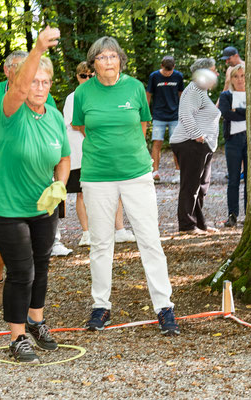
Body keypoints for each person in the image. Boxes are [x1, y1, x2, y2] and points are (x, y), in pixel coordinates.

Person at [72, 36, 179, 335]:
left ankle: (164, 307)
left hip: (136, 173)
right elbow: (81, 127)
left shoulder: (134, 88)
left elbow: (142, 125)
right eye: (102, 57)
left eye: (113, 56)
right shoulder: (83, 93)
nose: (108, 61)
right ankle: (101, 306)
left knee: (150, 240)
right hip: (97, 176)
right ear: (93, 63)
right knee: (101, 243)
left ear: (121, 60)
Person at [0, 27, 70, 363]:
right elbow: (19, 86)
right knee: (22, 271)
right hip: (6, 207)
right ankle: (17, 337)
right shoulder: (11, 111)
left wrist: (59, 185)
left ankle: (36, 322)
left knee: (42, 265)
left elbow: (63, 157)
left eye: (44, 82)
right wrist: (37, 48)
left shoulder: (54, 117)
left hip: (42, 206)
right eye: (33, 81)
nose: (38, 87)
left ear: (50, 87)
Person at [0, 50, 59, 308]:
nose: (26, 74)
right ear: (7, 70)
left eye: (29, 69)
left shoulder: (44, 96)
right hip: (1, 179)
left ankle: (23, 286)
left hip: (37, 182)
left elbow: (52, 132)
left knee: (35, 240)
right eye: (19, 69)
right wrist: (8, 139)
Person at [63, 62, 136, 246]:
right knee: (81, 192)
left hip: (104, 151)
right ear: (78, 77)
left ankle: (119, 229)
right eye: (83, 76)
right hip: (81, 151)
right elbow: (74, 123)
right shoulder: (73, 98)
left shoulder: (103, 95)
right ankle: (87, 233)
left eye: (90, 75)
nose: (87, 79)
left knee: (114, 188)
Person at [170, 58, 221, 234]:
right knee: (191, 185)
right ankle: (186, 225)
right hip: (189, 143)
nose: (217, 74)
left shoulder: (202, 91)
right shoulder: (194, 90)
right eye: (214, 70)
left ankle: (199, 223)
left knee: (201, 186)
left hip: (202, 145)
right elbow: (185, 114)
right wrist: (197, 136)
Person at [146, 56, 185, 184]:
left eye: (170, 71)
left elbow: (182, 95)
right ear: (161, 66)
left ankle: (178, 172)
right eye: (166, 70)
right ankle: (155, 172)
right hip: (159, 115)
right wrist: (146, 115)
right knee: (157, 143)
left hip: (174, 115)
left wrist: (184, 113)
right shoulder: (154, 76)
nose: (168, 73)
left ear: (174, 67)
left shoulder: (178, 76)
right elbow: (148, 95)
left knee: (176, 144)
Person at [218, 64, 246, 228]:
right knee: (233, 179)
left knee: (250, 179)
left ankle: (250, 214)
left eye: (242, 76)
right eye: (236, 76)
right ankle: (233, 214)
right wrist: (244, 112)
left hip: (250, 140)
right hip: (233, 141)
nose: (240, 79)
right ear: (231, 78)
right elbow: (227, 114)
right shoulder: (226, 95)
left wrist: (238, 111)